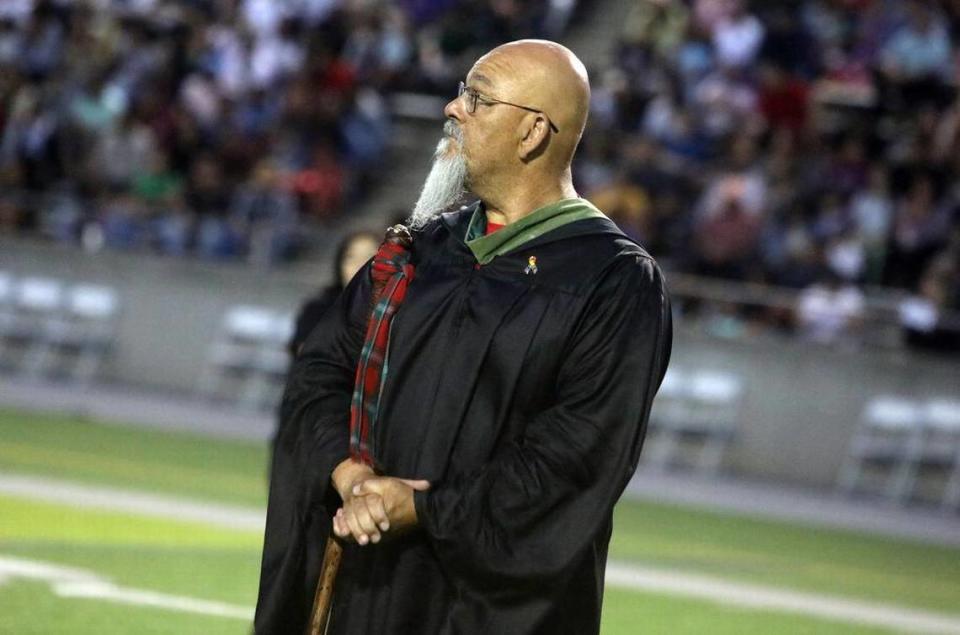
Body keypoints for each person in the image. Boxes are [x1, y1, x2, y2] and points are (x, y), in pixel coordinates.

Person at [255, 39, 673, 634]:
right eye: (460, 94)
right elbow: (319, 376)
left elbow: (577, 458)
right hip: (367, 585)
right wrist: (349, 476)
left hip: (489, 608)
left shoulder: (612, 281)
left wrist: (425, 509)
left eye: (476, 99)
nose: (454, 110)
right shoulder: (419, 251)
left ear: (532, 133)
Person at [287, 230, 380, 358]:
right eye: (351, 257)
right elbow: (307, 356)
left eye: (369, 257)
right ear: (340, 263)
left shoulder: (394, 314)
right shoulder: (318, 310)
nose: (359, 265)